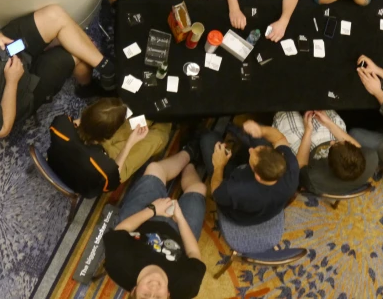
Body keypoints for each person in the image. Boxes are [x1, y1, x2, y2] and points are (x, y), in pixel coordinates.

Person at [0, 5, 116, 138]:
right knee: (78, 55)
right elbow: (3, 128)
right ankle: (86, 88)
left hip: (5, 44)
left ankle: (107, 68)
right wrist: (12, 81)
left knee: (54, 14)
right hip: (22, 90)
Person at [103, 149, 207, 299]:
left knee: (154, 169)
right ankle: (190, 165)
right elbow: (194, 254)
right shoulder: (185, 287)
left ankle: (188, 152)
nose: (153, 288)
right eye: (158, 297)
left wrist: (152, 210)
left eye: (145, 295)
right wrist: (181, 219)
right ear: (168, 295)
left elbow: (122, 229)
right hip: (179, 234)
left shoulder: (118, 265)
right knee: (198, 189)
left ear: (134, 291)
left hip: (142, 221)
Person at [47, 98, 172, 197]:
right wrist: (130, 143)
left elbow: (78, 122)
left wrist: (90, 118)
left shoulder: (60, 124)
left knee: (140, 121)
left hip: (79, 157)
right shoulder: (105, 169)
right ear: (108, 136)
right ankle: (167, 121)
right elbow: (115, 175)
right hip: (99, 173)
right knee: (159, 137)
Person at [199, 120, 299, 226]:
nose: (250, 150)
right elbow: (279, 138)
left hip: (240, 214)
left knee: (208, 139)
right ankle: (237, 131)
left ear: (258, 177)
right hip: (264, 204)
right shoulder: (290, 168)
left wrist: (219, 166)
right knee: (257, 132)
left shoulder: (240, 189)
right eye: (258, 149)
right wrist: (261, 131)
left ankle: (198, 140)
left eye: (252, 155)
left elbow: (216, 192)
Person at [273, 110, 378, 195]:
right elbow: (358, 147)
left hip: (309, 161)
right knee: (328, 114)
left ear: (328, 161)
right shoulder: (372, 157)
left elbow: (300, 165)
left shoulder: (313, 178)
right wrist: (329, 123)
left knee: (284, 115)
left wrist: (308, 131)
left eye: (333, 145)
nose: (332, 141)